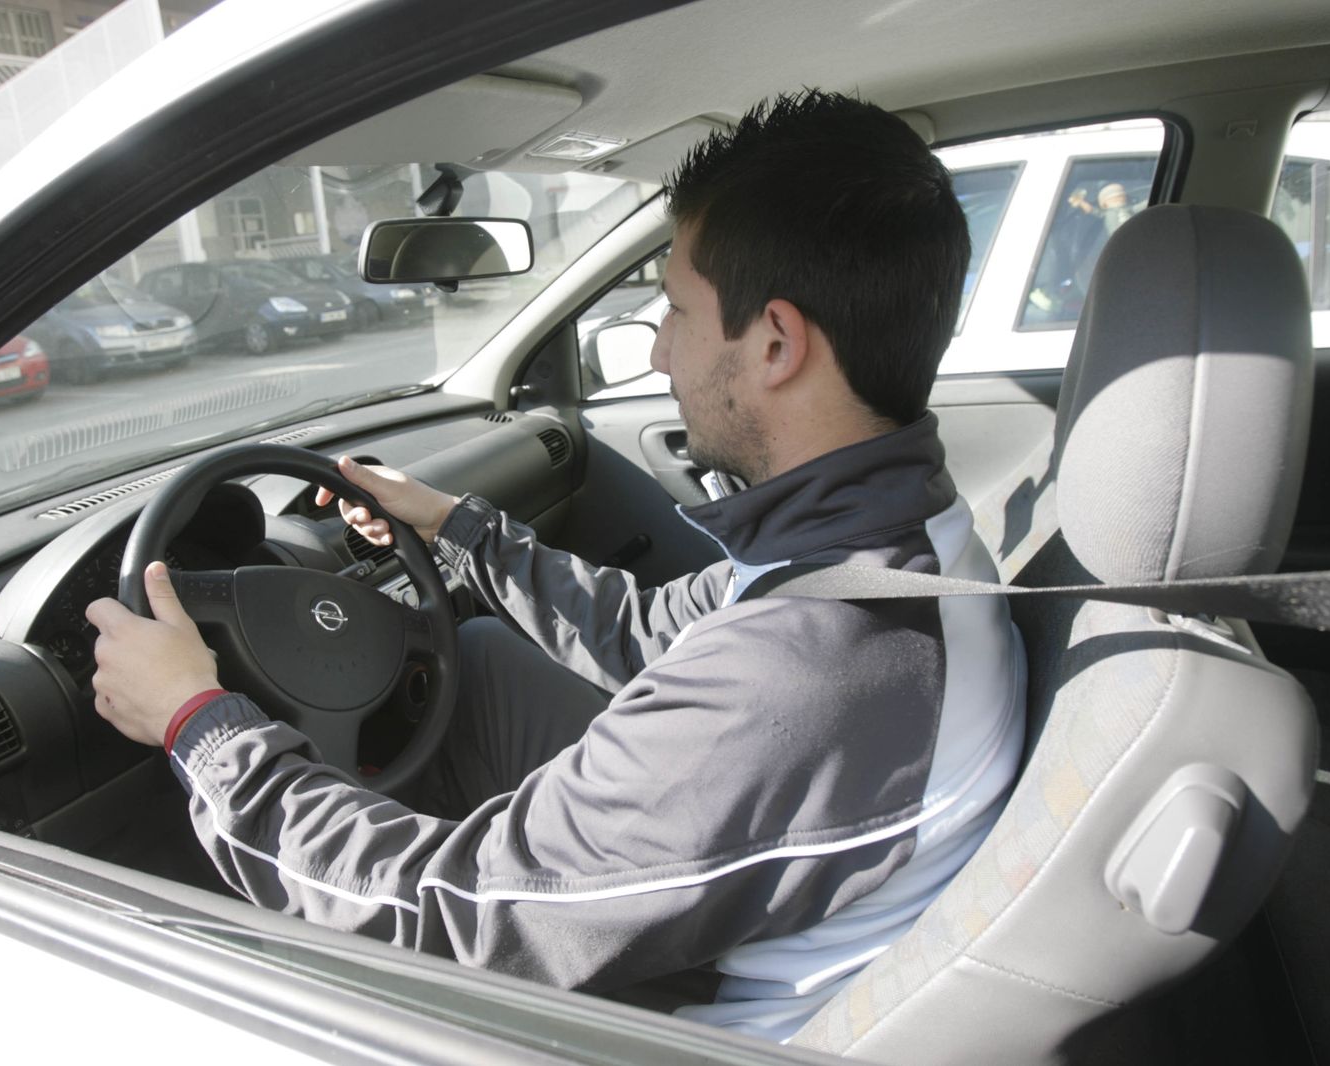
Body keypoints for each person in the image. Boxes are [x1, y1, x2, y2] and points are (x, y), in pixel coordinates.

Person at [85, 89, 1026, 1043]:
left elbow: (453, 920)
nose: (657, 350)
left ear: (777, 344)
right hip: (726, 934)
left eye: (676, 310)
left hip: (675, 1027)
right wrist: (454, 526)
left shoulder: (807, 668)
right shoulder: (891, 542)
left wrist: (201, 729)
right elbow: (647, 633)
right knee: (483, 656)